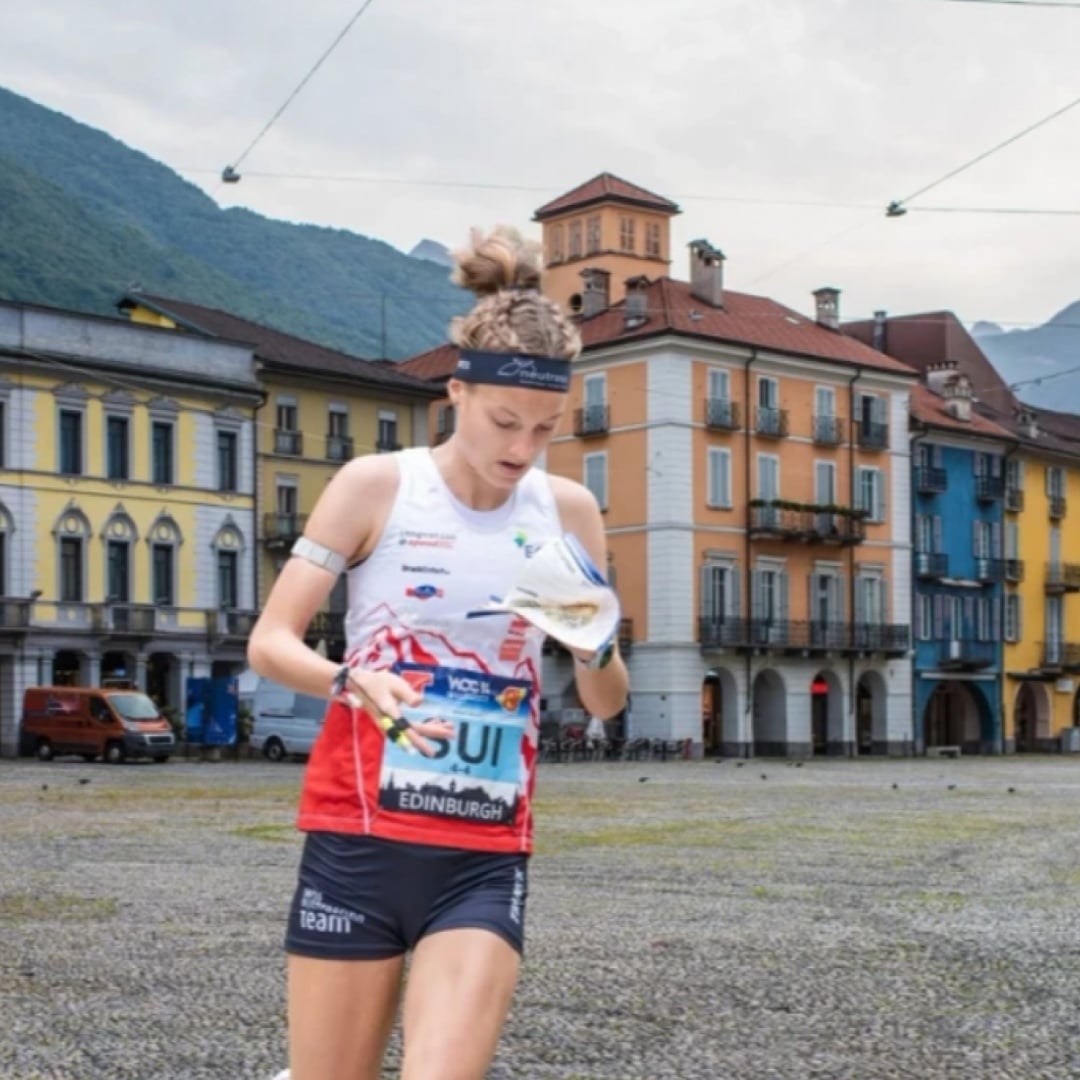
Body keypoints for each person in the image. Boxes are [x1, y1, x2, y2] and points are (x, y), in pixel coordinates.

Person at [248, 224, 630, 1080]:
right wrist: (351, 681)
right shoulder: (376, 486)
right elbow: (269, 643)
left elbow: (605, 700)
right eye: (504, 422)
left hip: (484, 851)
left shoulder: (567, 511)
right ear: (457, 393)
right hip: (357, 837)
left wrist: (592, 642)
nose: (521, 450)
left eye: (545, 429)